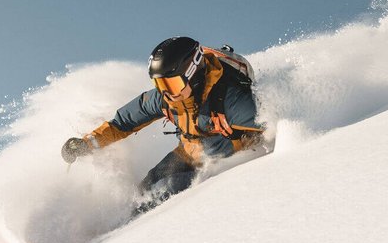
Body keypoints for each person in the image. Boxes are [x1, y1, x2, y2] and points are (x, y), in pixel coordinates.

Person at [61, 36, 264, 213]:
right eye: (160, 84)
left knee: (165, 191)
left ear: (192, 74)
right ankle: (109, 234)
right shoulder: (166, 98)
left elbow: (276, 122)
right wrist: (86, 144)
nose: (166, 93)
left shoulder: (234, 103)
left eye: (172, 84)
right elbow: (122, 123)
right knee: (143, 192)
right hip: (188, 153)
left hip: (223, 164)